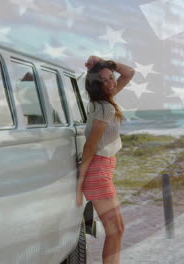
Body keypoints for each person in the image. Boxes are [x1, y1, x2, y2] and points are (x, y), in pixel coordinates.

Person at [76, 55, 135, 264]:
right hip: (98, 171)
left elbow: (129, 73)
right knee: (115, 231)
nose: (111, 82)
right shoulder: (105, 107)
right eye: (105, 80)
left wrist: (106, 63)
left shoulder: (104, 101)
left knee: (117, 230)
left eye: (111, 77)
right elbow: (89, 147)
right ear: (96, 86)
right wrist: (80, 185)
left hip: (102, 170)